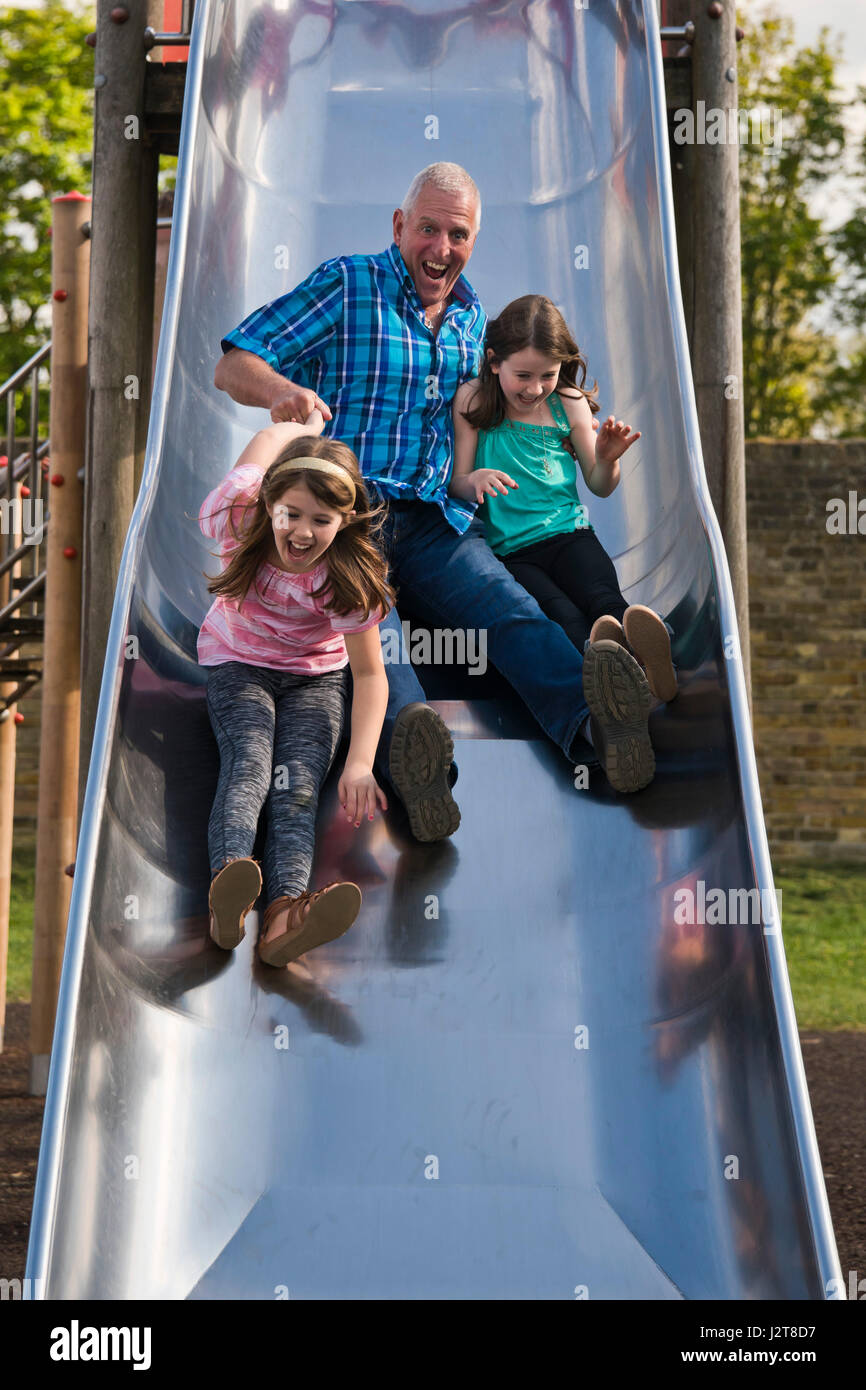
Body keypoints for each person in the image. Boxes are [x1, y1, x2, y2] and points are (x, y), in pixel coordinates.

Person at [214, 161, 658, 795]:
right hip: (347, 517)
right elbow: (234, 364)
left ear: (473, 240)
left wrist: (582, 436)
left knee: (510, 609)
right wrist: (280, 391)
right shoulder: (349, 284)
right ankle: (422, 772)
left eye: (458, 234)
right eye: (428, 229)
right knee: (380, 647)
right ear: (399, 225)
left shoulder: (475, 322)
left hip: (434, 520)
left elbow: (521, 400)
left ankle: (599, 728)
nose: (442, 248)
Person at [449, 294, 678, 786]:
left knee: (604, 601)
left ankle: (652, 666)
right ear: (494, 362)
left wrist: (608, 458)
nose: (535, 388)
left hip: (571, 535)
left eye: (547, 375)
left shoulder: (567, 403)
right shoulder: (473, 400)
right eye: (523, 375)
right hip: (513, 553)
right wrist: (474, 481)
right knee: (564, 619)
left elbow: (598, 483)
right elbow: (456, 482)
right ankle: (623, 686)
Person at [197, 411, 392, 967]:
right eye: (291, 514)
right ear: (267, 503)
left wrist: (360, 764)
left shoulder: (348, 578)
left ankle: (285, 915)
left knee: (298, 788)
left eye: (322, 520)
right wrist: (302, 428)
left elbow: (370, 675)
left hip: (315, 679)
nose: (303, 532)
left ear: (344, 520)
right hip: (239, 662)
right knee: (250, 762)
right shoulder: (236, 515)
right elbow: (265, 438)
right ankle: (228, 892)